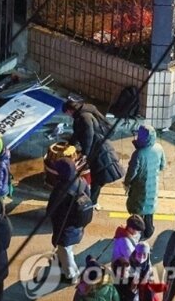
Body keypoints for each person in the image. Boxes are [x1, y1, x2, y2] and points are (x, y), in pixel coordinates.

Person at [66, 97, 124, 206]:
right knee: (99, 176)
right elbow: (78, 133)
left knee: (99, 176)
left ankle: (92, 202)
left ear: (70, 110)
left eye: (67, 113)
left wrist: (85, 154)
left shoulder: (84, 117)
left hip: (98, 149)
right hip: (102, 144)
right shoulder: (88, 109)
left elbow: (88, 136)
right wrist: (71, 142)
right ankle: (93, 200)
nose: (68, 116)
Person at [46, 157, 93, 285]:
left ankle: (71, 276)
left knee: (66, 252)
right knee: (67, 248)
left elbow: (50, 210)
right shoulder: (81, 181)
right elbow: (88, 196)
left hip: (65, 229)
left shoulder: (60, 190)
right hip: (78, 225)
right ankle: (60, 259)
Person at [125, 123, 165, 238]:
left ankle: (138, 232)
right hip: (153, 184)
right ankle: (149, 230)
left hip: (139, 187)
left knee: (139, 210)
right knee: (149, 208)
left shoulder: (138, 154)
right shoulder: (159, 148)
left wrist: (127, 183)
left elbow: (132, 173)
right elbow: (162, 165)